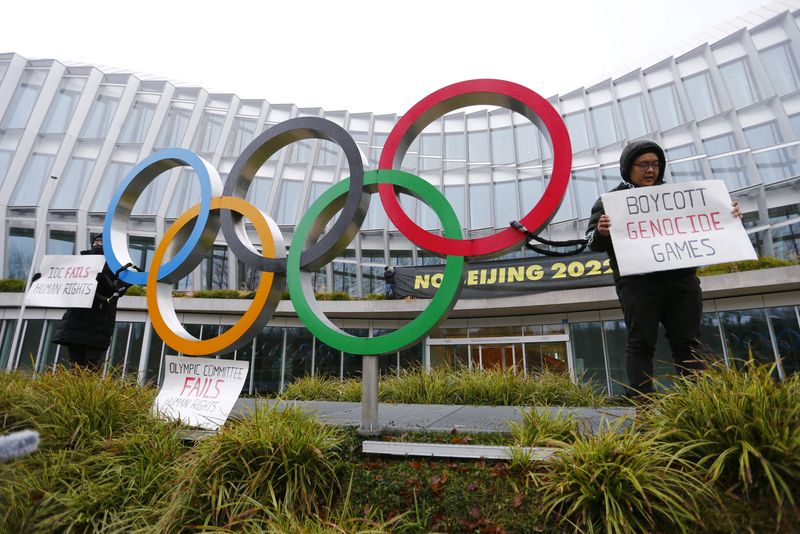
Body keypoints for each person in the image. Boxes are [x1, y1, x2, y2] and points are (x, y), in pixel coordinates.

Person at [585, 140, 740, 397]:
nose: (651, 170)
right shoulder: (609, 201)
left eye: (656, 164)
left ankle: (698, 407)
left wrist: (728, 214)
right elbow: (592, 243)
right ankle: (644, 410)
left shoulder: (680, 197)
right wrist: (601, 232)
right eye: (643, 164)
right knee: (641, 343)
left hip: (682, 281)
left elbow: (707, 222)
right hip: (638, 284)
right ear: (628, 168)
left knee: (688, 344)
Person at [51, 235, 128, 370]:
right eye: (96, 242)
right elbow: (64, 288)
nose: (98, 244)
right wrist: (44, 280)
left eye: (102, 242)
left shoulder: (119, 268)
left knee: (91, 368)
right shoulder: (79, 264)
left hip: (97, 325)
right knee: (76, 368)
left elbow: (118, 291)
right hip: (77, 324)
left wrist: (105, 282)